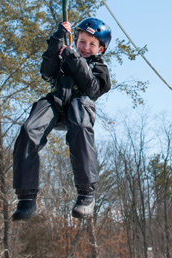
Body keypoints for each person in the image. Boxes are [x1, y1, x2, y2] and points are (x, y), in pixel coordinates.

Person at [12, 18, 111, 222]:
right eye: (82, 42)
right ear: (75, 40)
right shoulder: (65, 57)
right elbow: (47, 71)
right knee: (29, 129)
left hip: (79, 107)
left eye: (92, 44)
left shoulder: (100, 69)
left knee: (80, 121)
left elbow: (91, 87)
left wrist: (72, 58)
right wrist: (57, 40)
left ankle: (86, 192)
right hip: (57, 104)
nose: (85, 47)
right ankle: (26, 195)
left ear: (100, 49)